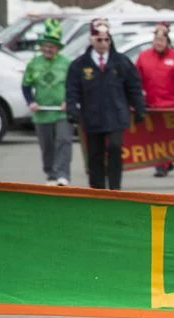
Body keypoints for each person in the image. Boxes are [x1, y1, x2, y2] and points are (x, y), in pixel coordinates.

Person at [65, 18, 146, 191]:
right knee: (95, 154)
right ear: (91, 40)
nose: (103, 44)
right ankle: (98, 188)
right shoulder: (79, 65)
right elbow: (72, 90)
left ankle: (115, 187)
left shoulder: (121, 62)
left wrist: (139, 107)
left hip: (116, 114)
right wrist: (72, 110)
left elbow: (134, 86)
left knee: (116, 148)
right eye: (99, 40)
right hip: (92, 116)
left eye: (106, 39)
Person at [136, 23, 174, 178]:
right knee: (157, 137)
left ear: (167, 42)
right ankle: (161, 166)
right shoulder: (144, 57)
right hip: (153, 105)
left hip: (173, 104)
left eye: (162, 40)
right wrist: (139, 97)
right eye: (156, 39)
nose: (159, 43)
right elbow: (137, 79)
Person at [21, 18, 72, 186]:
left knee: (63, 141)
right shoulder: (34, 64)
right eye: (46, 46)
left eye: (52, 46)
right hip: (42, 112)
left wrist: (68, 101)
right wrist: (31, 102)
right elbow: (26, 85)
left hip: (61, 111)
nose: (48, 49)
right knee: (47, 145)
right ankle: (51, 174)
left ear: (57, 48)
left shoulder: (66, 63)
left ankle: (63, 174)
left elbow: (73, 86)